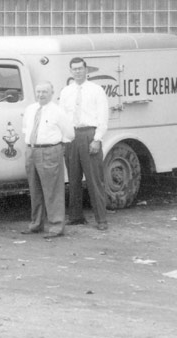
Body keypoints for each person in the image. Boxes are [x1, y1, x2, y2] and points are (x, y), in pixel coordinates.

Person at [59, 57, 111, 231]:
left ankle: (101, 219)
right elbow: (62, 117)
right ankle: (75, 217)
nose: (77, 72)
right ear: (70, 71)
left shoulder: (96, 90)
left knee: (94, 180)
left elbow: (103, 116)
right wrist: (64, 139)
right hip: (72, 136)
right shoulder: (66, 91)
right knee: (73, 179)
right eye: (74, 69)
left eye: (80, 68)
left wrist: (97, 139)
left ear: (86, 70)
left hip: (89, 134)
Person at [21, 81, 74, 239]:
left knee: (52, 190)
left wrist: (54, 147)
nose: (41, 95)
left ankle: (56, 226)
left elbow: (69, 134)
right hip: (32, 150)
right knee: (35, 189)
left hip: (50, 151)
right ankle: (36, 224)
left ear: (52, 93)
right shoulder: (30, 109)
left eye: (44, 92)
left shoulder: (58, 112)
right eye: (38, 92)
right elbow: (25, 128)